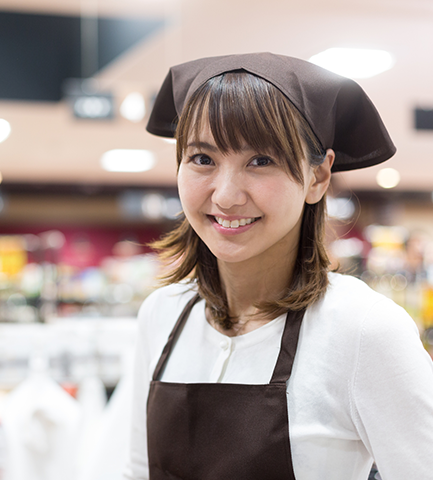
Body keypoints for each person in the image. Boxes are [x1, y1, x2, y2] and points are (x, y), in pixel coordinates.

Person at [124, 53, 433, 480]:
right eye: (202, 159)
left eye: (261, 160)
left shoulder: (363, 331)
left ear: (319, 177)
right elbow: (138, 471)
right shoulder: (162, 314)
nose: (226, 195)